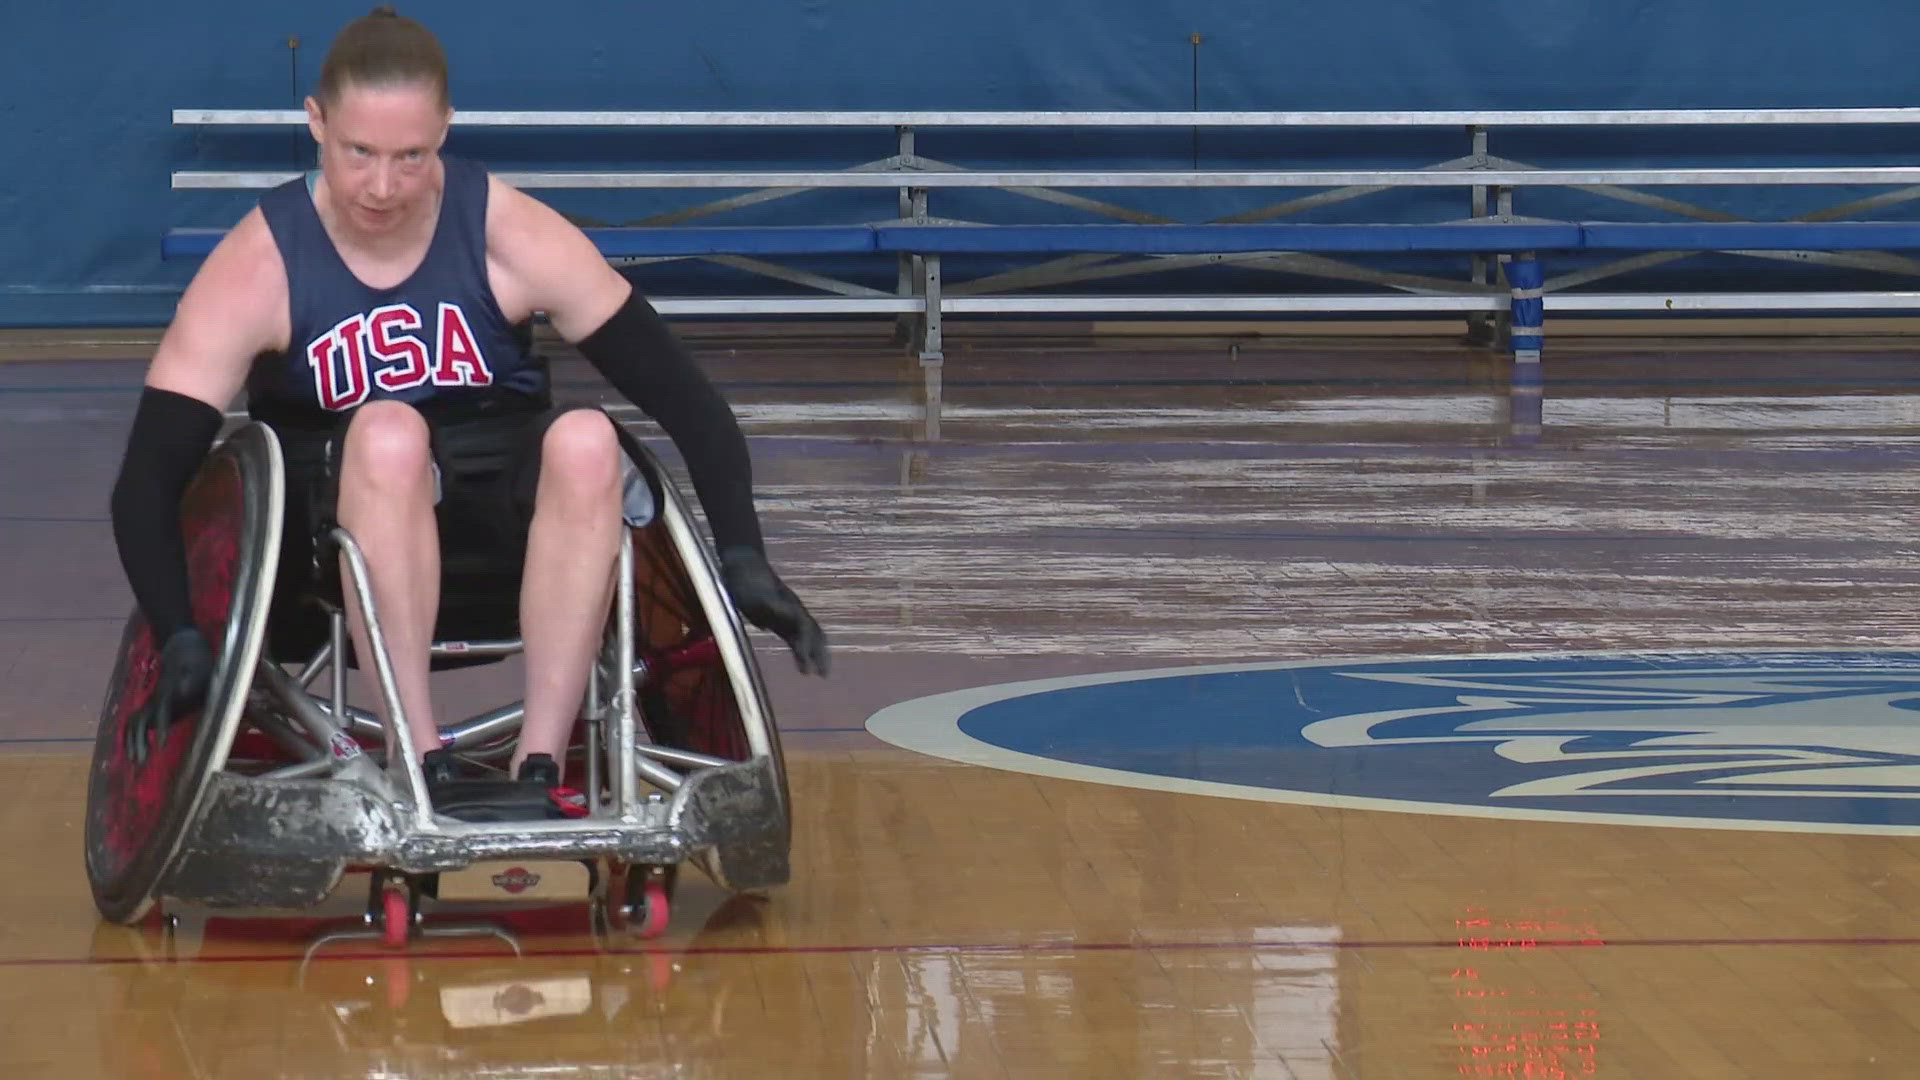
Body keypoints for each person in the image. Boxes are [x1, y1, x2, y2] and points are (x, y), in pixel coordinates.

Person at [108, 7, 828, 807]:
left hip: (507, 538)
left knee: (590, 437)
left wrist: (743, 557)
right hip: (332, 549)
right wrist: (178, 630)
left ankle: (541, 764)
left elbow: (688, 402)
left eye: (411, 156)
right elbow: (146, 480)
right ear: (315, 123)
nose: (383, 186)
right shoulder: (259, 263)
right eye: (360, 154)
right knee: (389, 431)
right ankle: (425, 760)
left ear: (445, 129)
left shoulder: (508, 231)